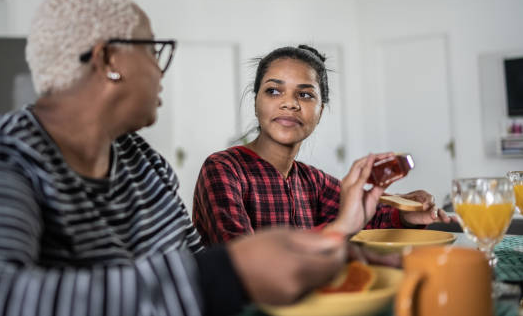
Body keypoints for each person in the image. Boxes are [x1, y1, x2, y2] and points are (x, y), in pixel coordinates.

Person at [0, 0, 352, 316]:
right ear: (109, 60)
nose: (160, 72)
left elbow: (195, 263)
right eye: (153, 51)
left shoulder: (145, 164)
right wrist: (226, 274)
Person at [192, 45, 452, 245]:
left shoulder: (313, 181)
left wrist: (406, 214)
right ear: (256, 101)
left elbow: (364, 218)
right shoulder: (223, 169)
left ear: (320, 110)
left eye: (304, 95)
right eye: (273, 91)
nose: (290, 103)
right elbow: (241, 257)